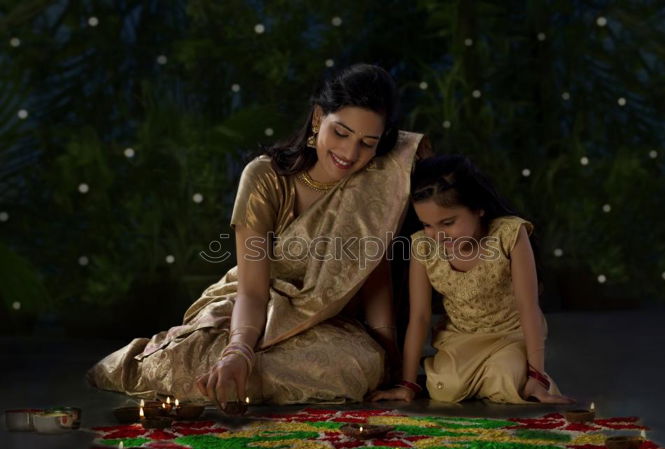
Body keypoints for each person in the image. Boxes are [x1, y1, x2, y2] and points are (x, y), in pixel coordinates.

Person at [86, 64, 430, 408]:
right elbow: (252, 291)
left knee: (359, 364)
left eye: (367, 144)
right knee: (179, 361)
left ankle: (231, 379)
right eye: (340, 133)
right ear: (316, 119)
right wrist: (238, 351)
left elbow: (374, 276)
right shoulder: (265, 177)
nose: (350, 154)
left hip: (329, 323)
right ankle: (230, 370)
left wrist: (391, 362)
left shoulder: (376, 183)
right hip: (251, 305)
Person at [370, 155, 574, 404]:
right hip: (460, 339)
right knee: (445, 389)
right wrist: (408, 384)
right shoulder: (422, 246)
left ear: (478, 208)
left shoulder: (509, 235)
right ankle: (483, 379)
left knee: (508, 381)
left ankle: (515, 374)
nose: (438, 235)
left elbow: (527, 306)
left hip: (510, 335)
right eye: (427, 224)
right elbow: (420, 317)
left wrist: (537, 376)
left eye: (448, 222)